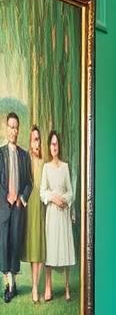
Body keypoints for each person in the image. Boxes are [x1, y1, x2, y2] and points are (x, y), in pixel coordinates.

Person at [0, 111, 32, 304]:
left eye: (16, 127)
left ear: (18, 130)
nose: (13, 130)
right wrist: (6, 195)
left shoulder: (24, 155)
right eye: (10, 126)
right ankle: (8, 285)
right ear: (6, 128)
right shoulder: (0, 153)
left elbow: (29, 182)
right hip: (4, 207)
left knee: (14, 244)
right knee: (3, 245)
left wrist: (22, 197)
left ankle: (13, 284)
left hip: (18, 208)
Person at [41, 130, 75, 303]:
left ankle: (67, 287)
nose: (54, 146)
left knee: (64, 248)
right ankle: (48, 287)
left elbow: (71, 192)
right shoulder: (46, 168)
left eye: (56, 144)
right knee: (51, 249)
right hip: (52, 214)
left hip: (63, 213)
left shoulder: (65, 167)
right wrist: (53, 198)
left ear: (59, 147)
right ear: (49, 146)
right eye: (52, 144)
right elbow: (42, 191)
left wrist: (64, 200)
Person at [25, 125, 46, 303]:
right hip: (31, 204)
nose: (36, 142)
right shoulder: (27, 159)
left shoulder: (44, 161)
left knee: (40, 246)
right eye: (33, 139)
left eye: (38, 139)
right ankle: (33, 288)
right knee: (33, 244)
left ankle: (38, 285)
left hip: (42, 204)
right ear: (30, 141)